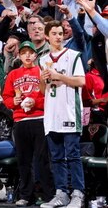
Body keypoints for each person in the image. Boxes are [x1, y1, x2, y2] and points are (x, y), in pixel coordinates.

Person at [39, 20, 86, 208]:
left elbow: (81, 82)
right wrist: (43, 80)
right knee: (56, 156)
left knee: (73, 155)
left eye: (61, 33)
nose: (59, 36)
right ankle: (61, 193)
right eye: (55, 33)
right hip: (52, 114)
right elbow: (43, 91)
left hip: (69, 112)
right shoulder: (43, 60)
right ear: (47, 36)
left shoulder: (73, 56)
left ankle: (78, 193)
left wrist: (59, 76)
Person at [2, 41, 54, 206]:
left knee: (42, 159)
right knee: (23, 160)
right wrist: (14, 102)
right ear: (19, 55)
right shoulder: (13, 74)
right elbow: (6, 97)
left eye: (30, 52)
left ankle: (48, 195)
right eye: (24, 52)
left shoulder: (42, 71)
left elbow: (48, 95)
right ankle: (26, 195)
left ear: (35, 55)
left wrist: (35, 102)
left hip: (39, 119)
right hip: (20, 120)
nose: (27, 55)